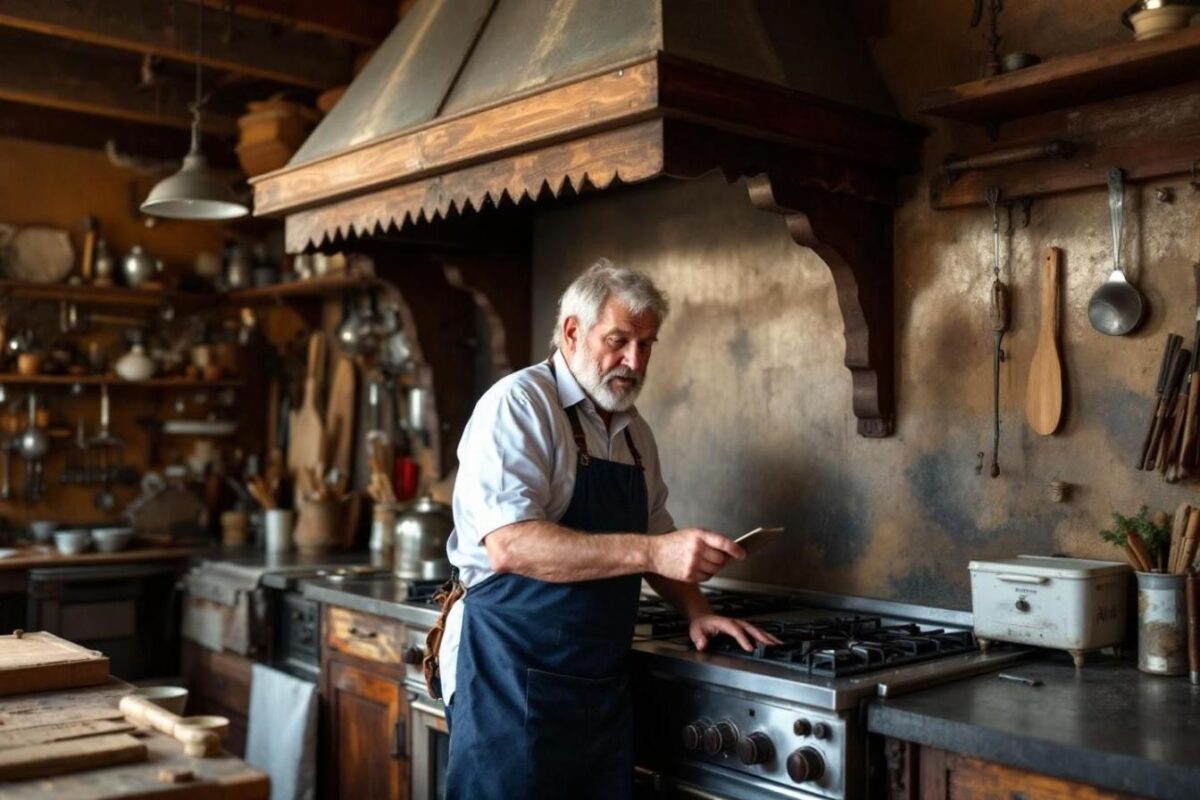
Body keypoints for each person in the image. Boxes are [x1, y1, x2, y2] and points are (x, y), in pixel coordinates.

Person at [433, 259, 779, 800]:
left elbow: (654, 530)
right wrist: (654, 552)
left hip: (597, 686)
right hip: (508, 680)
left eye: (646, 345)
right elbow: (510, 543)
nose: (634, 361)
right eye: (618, 340)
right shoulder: (519, 405)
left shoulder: (635, 431)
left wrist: (696, 609)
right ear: (572, 331)